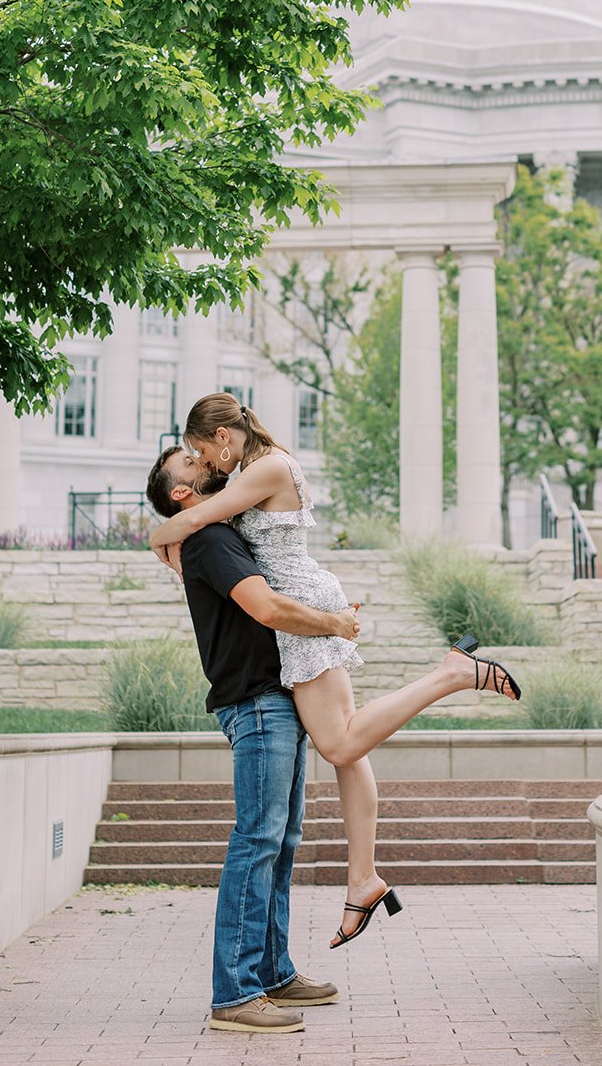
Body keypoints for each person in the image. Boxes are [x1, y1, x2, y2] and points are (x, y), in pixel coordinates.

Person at [149, 390, 522, 949]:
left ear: (223, 438)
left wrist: (157, 536)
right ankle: (363, 879)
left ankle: (452, 674)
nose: (204, 461)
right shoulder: (256, 467)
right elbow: (200, 523)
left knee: (342, 742)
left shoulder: (267, 467)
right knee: (349, 751)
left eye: (201, 451)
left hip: (299, 607)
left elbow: (196, 517)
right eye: (194, 459)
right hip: (301, 603)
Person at [145, 445, 361, 1036]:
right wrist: (337, 623)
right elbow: (265, 608)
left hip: (276, 697)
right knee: (258, 840)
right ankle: (235, 993)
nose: (204, 459)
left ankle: (272, 972)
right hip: (256, 702)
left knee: (281, 840)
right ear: (182, 493)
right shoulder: (210, 541)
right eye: (190, 462)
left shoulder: (221, 529)